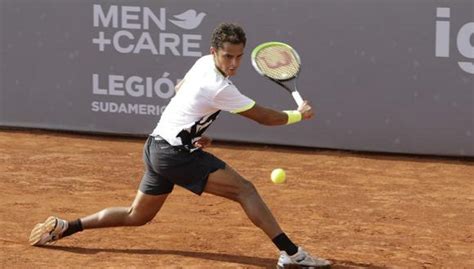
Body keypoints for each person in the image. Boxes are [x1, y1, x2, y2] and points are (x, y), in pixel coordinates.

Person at [29, 22, 331, 268]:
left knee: (138, 215)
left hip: (156, 146)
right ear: (214, 52)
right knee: (245, 190)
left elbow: (179, 91)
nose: (234, 63)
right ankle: (291, 254)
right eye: (227, 56)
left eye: (239, 56)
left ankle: (66, 226)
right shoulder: (219, 86)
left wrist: (192, 131)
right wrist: (298, 115)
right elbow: (264, 117)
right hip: (173, 154)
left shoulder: (202, 64)